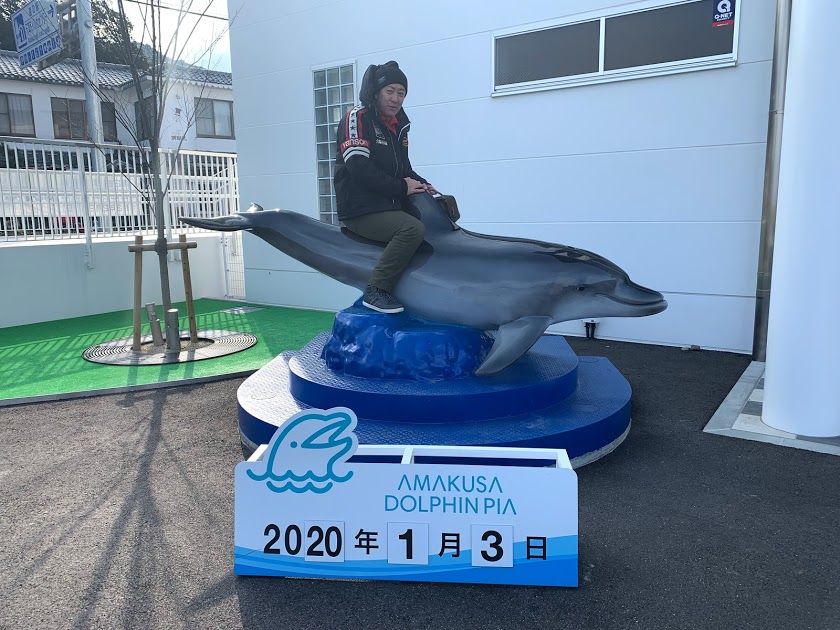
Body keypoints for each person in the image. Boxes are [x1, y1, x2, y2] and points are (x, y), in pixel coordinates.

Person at [333, 61, 437, 314]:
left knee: (436, 217)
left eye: (401, 93)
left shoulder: (397, 125)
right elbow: (358, 167)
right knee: (411, 229)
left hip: (387, 204)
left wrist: (423, 184)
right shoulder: (357, 118)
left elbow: (404, 169)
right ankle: (377, 290)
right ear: (376, 92)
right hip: (360, 209)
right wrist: (402, 188)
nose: (395, 98)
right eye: (390, 91)